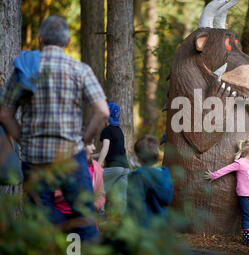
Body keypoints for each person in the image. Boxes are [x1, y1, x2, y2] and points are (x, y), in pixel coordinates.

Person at [0, 16, 109, 241]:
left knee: (40, 220)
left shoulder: (24, 70)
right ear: (68, 41)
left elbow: (4, 114)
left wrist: (23, 140)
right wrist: (85, 141)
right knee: (84, 216)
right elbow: (103, 111)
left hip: (35, 158)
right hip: (70, 155)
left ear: (40, 39)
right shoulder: (80, 70)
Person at [205, 138, 249, 247]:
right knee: (246, 217)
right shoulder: (240, 163)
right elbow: (226, 169)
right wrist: (214, 175)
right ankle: (248, 239)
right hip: (244, 196)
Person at [127, 135, 173, 228]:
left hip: (143, 232)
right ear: (156, 155)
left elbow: (133, 207)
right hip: (161, 230)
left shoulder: (138, 176)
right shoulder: (165, 174)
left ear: (138, 157)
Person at [97, 101, 130, 217]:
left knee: (99, 188)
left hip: (114, 166)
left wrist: (98, 165)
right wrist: (94, 156)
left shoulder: (107, 130)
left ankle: (100, 216)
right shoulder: (119, 131)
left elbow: (105, 148)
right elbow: (112, 149)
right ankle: (122, 221)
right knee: (122, 197)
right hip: (125, 167)